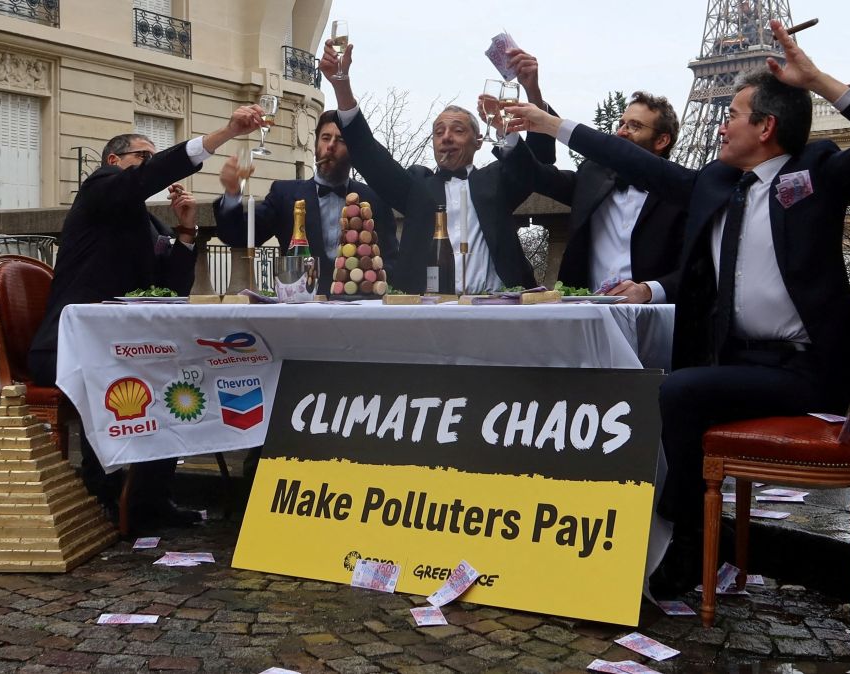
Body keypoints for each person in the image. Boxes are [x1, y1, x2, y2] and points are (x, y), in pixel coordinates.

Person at [506, 19, 850, 593]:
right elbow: (636, 163)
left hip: (807, 369)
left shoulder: (816, 174)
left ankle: (686, 539)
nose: (722, 125)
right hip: (740, 362)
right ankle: (677, 532)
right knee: (671, 385)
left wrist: (818, 80)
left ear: (767, 126)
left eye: (733, 114)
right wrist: (553, 124)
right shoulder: (716, 185)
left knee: (679, 391)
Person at [28, 105, 264, 530]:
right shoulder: (98, 189)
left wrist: (186, 232)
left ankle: (150, 498)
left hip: (120, 344)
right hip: (67, 348)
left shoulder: (149, 222)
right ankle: (106, 494)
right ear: (114, 162)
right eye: (143, 157)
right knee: (136, 374)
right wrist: (224, 133)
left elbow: (170, 291)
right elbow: (141, 180)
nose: (151, 166)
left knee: (180, 376)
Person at [319, 42, 537, 294]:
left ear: (478, 142)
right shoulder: (417, 186)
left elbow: (535, 166)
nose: (446, 137)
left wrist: (531, 92)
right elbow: (369, 156)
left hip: (498, 307)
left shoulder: (497, 180)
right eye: (438, 132)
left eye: (457, 130)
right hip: (429, 312)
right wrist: (341, 83)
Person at [500, 85, 687, 302]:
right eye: (621, 124)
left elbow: (697, 270)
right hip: (587, 312)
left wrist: (649, 291)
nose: (621, 131)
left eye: (635, 126)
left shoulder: (681, 195)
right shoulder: (592, 175)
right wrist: (507, 134)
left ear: (662, 141)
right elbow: (537, 176)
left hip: (654, 317)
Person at [213, 111, 397, 294]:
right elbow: (238, 237)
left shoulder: (373, 198)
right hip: (301, 309)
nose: (331, 146)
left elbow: (390, 259)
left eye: (341, 140)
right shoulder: (284, 194)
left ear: (353, 150)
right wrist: (232, 194)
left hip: (359, 309)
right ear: (316, 144)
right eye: (325, 138)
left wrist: (370, 283)